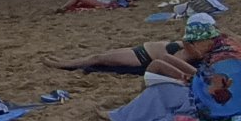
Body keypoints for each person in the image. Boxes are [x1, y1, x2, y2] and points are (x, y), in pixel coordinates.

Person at [46, 40, 193, 79]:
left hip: (142, 57)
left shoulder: (190, 53)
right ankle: (66, 60)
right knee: (100, 55)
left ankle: (63, 64)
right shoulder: (194, 44)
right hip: (142, 49)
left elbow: (171, 62)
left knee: (98, 58)